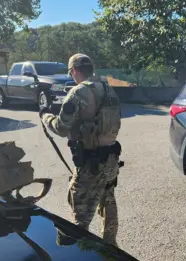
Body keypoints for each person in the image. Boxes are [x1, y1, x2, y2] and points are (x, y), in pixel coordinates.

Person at [40, 53, 122, 246]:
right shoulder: (109, 89)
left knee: (81, 212)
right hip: (111, 158)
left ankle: (80, 250)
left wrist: (45, 116)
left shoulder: (78, 92)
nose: (71, 76)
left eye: (71, 72)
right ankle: (111, 247)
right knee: (107, 200)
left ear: (75, 70)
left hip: (89, 163)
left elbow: (61, 128)